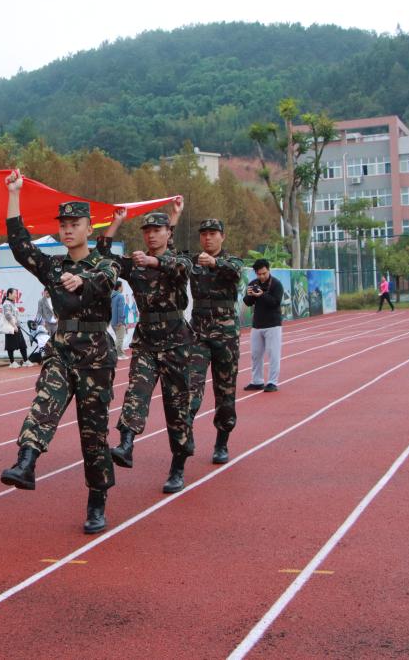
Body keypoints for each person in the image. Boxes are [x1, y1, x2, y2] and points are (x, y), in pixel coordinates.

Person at [0, 169, 120, 534]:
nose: (67, 230)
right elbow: (21, 246)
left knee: (93, 434)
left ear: (89, 229)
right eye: (63, 225)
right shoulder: (53, 266)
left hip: (96, 356)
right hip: (62, 348)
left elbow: (107, 280)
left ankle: (97, 499)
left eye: (74, 224)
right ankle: (26, 463)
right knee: (44, 404)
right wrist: (14, 194)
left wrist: (83, 279)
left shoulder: (105, 262)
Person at [98, 200, 197, 493]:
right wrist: (117, 221)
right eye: (147, 230)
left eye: (157, 230)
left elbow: (181, 268)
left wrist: (153, 261)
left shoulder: (179, 261)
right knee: (136, 392)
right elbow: (103, 254)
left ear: (169, 233)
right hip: (146, 342)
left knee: (176, 406)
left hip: (176, 342)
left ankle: (178, 466)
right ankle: (126, 443)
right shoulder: (135, 264)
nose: (151, 235)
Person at [177, 215, 244, 465]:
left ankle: (222, 442)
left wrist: (215, 263)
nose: (208, 238)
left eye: (213, 234)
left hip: (226, 336)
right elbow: (171, 258)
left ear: (222, 237)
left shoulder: (232, 261)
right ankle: (186, 437)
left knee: (225, 392)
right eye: (204, 234)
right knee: (190, 388)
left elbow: (235, 273)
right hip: (198, 333)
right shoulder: (192, 261)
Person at [242, 259, 284, 393]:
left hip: (273, 324)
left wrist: (262, 295)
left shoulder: (276, 284)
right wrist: (250, 295)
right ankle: (257, 381)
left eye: (264, 273)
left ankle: (272, 382)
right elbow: (248, 302)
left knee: (273, 354)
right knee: (255, 354)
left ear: (268, 270)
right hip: (257, 324)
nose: (262, 276)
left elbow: (275, 302)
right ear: (255, 273)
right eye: (259, 274)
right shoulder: (253, 284)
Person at [2, 287, 29, 368]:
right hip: (10, 327)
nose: (16, 295)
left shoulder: (12, 303)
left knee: (22, 344)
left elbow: (14, 315)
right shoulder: (6, 303)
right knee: (10, 345)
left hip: (16, 326)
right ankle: (12, 362)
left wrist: (17, 324)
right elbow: (8, 315)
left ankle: (25, 361)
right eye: (15, 293)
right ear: (10, 294)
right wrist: (14, 326)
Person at [111, 281, 127, 352]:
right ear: (119, 287)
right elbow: (121, 310)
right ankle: (118, 354)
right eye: (122, 286)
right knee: (120, 339)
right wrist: (121, 321)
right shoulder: (120, 296)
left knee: (118, 338)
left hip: (113, 322)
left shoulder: (112, 296)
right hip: (119, 322)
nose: (123, 288)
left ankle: (119, 352)